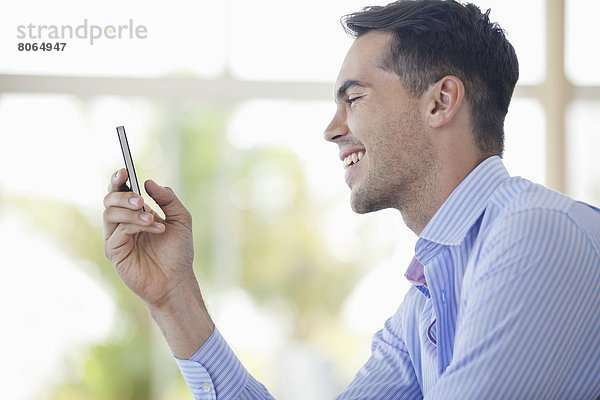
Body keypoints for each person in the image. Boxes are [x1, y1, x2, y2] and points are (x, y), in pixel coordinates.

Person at [103, 0, 600, 398]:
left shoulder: (536, 233)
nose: (332, 129)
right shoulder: (424, 304)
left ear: (440, 102)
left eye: (354, 98)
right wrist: (173, 297)